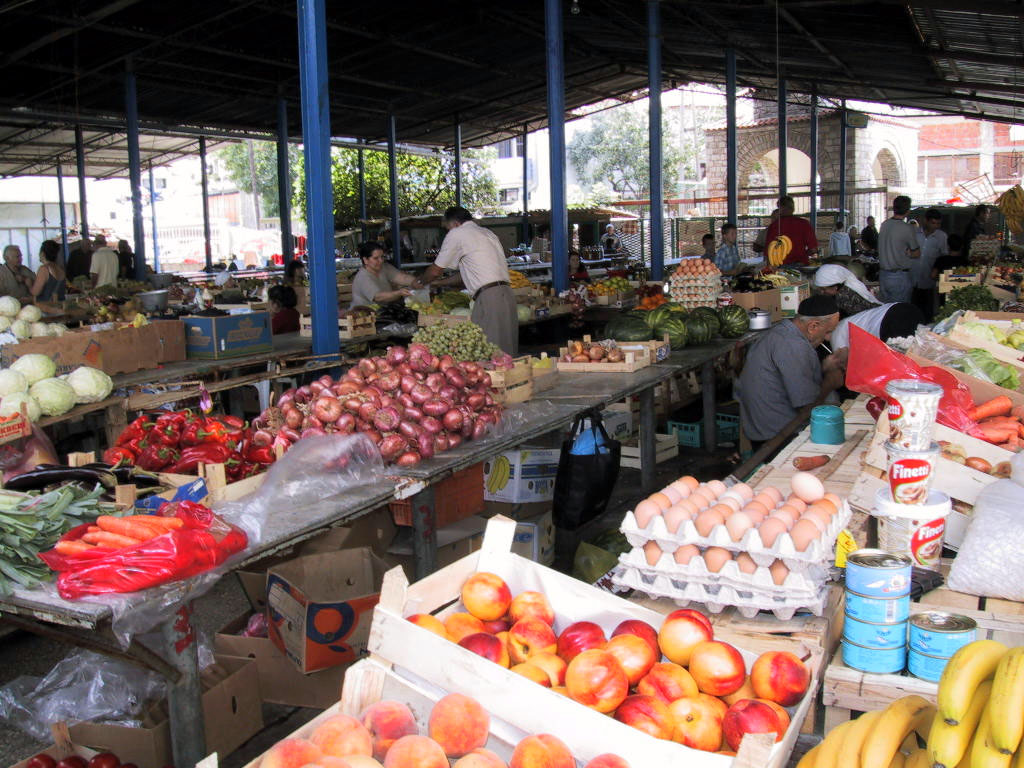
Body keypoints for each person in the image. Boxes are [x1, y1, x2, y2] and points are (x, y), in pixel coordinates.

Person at [738, 294, 843, 449]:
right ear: (813, 326)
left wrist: (823, 369)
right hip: (776, 437)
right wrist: (830, 382)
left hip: (765, 428)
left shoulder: (782, 331)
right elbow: (807, 408)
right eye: (828, 331)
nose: (828, 338)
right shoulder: (793, 345)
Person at [419, 206, 518, 354]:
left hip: (489, 298)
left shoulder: (457, 234)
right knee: (507, 352)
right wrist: (439, 283)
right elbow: (468, 275)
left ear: (455, 224)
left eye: (447, 228)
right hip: (506, 295)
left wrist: (420, 282)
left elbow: (435, 270)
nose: (448, 232)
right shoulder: (487, 233)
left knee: (490, 353)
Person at [877, 196, 920, 303]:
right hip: (899, 277)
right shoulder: (907, 228)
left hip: (883, 276)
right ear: (908, 210)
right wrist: (909, 253)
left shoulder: (884, 225)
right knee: (900, 311)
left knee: (886, 311)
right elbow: (916, 253)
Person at [350, 240, 417, 308]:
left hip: (383, 311)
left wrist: (417, 281)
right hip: (363, 314)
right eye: (376, 258)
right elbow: (378, 297)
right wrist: (399, 293)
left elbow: (402, 278)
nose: (381, 261)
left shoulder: (384, 267)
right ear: (365, 260)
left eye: (382, 257)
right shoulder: (363, 277)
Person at [912, 209, 948, 322]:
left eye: (938, 223)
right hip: (911, 278)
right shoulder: (914, 234)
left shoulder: (941, 237)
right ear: (925, 221)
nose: (935, 226)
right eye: (933, 223)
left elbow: (944, 257)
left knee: (927, 312)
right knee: (911, 309)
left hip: (928, 281)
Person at [764, 196, 819, 265]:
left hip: (780, 266)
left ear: (780, 208)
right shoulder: (804, 224)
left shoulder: (774, 226)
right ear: (793, 208)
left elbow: (769, 252)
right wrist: (803, 254)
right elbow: (813, 249)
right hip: (800, 265)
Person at [813, 263, 881, 317]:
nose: (821, 292)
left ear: (835, 287)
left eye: (823, 289)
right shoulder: (844, 287)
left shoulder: (844, 297)